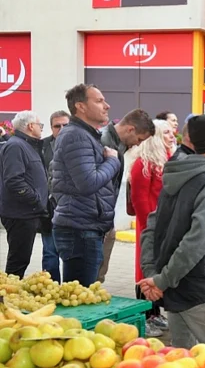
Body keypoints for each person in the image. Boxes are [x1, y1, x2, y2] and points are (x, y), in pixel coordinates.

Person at [137, 114, 205, 354]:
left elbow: (152, 228)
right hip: (201, 289)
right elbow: (197, 241)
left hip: (175, 288)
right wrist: (160, 280)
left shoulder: (174, 173)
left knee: (184, 364)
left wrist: (156, 275)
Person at [51, 85, 129, 285]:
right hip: (79, 229)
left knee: (82, 295)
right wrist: (113, 161)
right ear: (81, 106)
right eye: (99, 101)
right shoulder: (76, 135)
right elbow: (88, 182)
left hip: (85, 227)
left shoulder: (85, 134)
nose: (107, 105)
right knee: (79, 300)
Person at [97, 108, 156, 283]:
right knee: (91, 276)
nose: (138, 144)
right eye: (139, 139)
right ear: (130, 129)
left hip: (104, 218)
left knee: (98, 274)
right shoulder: (102, 142)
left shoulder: (118, 144)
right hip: (94, 218)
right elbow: (94, 181)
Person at [130, 120, 174, 337]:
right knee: (144, 268)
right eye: (166, 132)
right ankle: (144, 316)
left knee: (157, 267)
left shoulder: (165, 159)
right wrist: (150, 229)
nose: (172, 135)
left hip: (162, 226)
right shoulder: (142, 163)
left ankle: (155, 312)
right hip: (148, 227)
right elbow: (139, 201)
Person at [0, 111, 48, 278]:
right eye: (39, 125)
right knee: (18, 261)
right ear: (30, 126)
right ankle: (6, 298)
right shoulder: (16, 146)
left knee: (21, 259)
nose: (41, 129)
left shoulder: (25, 145)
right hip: (20, 214)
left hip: (27, 212)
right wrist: (35, 199)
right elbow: (13, 180)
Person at [41, 110, 71, 282]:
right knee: (50, 254)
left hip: (72, 210)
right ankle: (51, 290)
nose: (61, 129)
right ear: (51, 128)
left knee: (71, 255)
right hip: (49, 210)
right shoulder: (42, 146)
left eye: (65, 125)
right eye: (57, 126)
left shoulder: (79, 145)